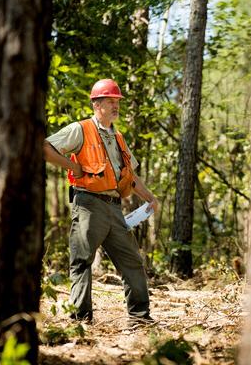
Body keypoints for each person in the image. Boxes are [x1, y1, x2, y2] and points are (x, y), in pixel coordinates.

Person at [43, 78, 159, 324]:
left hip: (114, 208)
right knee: (82, 260)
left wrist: (149, 198)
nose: (115, 106)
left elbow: (130, 176)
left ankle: (139, 317)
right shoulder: (80, 129)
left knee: (132, 261)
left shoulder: (118, 137)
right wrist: (72, 165)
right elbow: (45, 148)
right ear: (96, 104)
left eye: (117, 101)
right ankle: (81, 320)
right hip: (88, 205)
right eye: (110, 101)